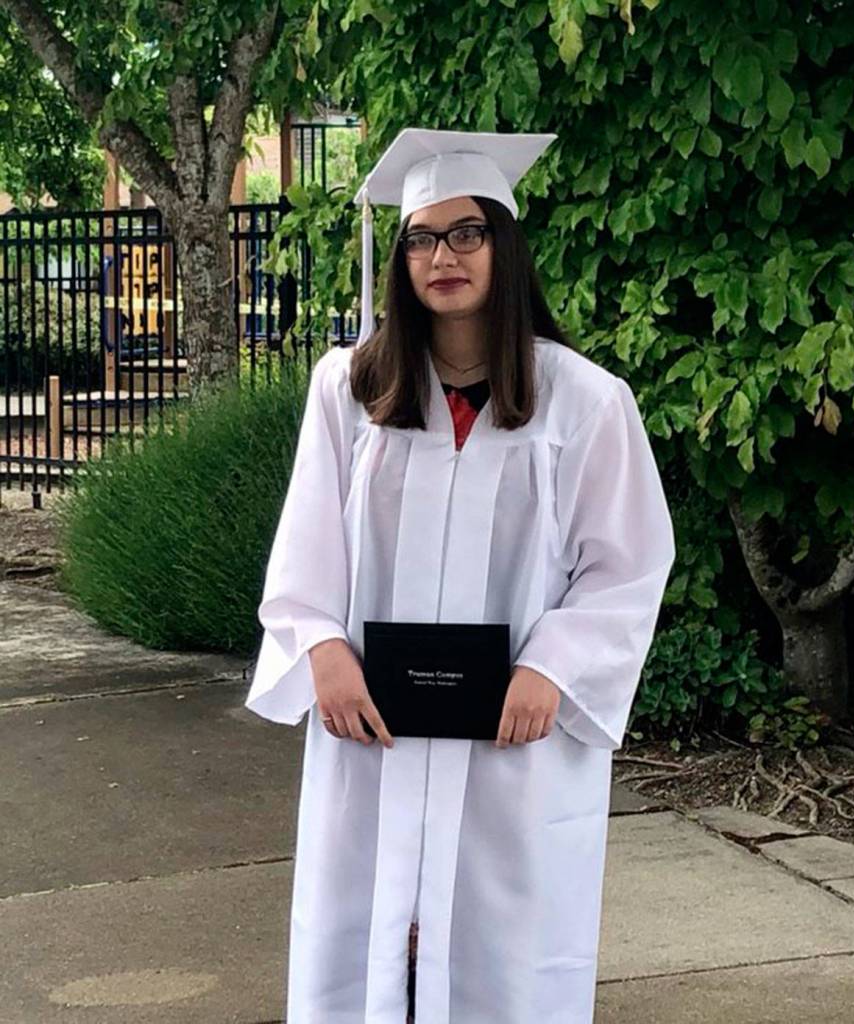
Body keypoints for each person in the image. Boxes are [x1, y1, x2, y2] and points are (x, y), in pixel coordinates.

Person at [244, 127, 676, 1024]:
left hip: (512, 734)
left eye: (466, 233)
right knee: (360, 942)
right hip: (372, 722)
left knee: (502, 949)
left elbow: (628, 563)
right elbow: (306, 542)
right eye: (420, 238)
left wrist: (555, 665)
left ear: (504, 246)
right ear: (399, 259)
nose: (442, 256)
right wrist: (319, 647)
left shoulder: (587, 401)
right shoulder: (349, 390)